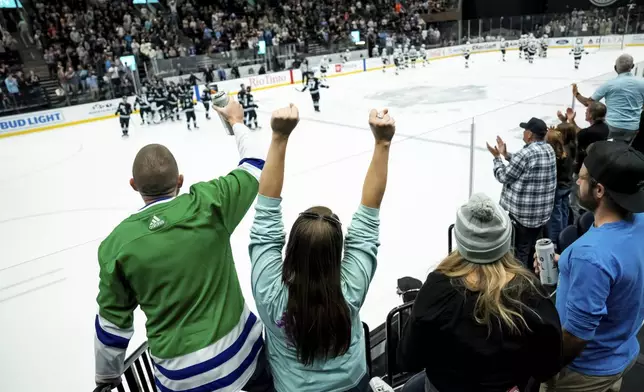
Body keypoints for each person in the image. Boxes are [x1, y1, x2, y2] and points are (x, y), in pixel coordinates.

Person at [94, 99, 272, 392]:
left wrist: (106, 377)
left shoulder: (117, 246)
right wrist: (236, 121)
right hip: (243, 362)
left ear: (133, 185)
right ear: (179, 180)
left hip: (180, 380)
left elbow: (112, 327)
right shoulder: (210, 203)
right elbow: (255, 164)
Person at [248, 106, 395, 391]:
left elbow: (265, 223)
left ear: (291, 248)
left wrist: (279, 136)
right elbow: (368, 219)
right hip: (352, 383)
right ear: (337, 252)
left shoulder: (270, 293)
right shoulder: (350, 288)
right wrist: (382, 143)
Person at [397, 193, 563, 392]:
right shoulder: (530, 293)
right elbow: (548, 364)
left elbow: (409, 358)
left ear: (460, 240)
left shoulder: (437, 288)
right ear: (504, 242)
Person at [538, 141, 644, 392]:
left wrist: (543, 370)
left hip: (584, 374)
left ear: (599, 190)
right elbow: (619, 265)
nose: (576, 182)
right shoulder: (639, 221)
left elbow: (576, 336)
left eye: (582, 177)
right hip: (622, 350)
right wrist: (564, 262)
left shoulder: (591, 256)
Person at [487, 117, 556, 268]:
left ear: (530, 134)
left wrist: (497, 158)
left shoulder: (526, 154)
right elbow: (525, 164)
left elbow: (503, 176)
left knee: (520, 253)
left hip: (522, 218)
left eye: (525, 130)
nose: (523, 133)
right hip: (541, 215)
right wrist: (506, 155)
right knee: (532, 248)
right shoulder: (548, 148)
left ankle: (521, 285)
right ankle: (534, 275)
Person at [573, 54, 644, 144]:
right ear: (632, 66)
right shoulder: (642, 83)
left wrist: (576, 94)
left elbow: (588, 103)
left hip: (611, 127)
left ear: (615, 68)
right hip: (633, 128)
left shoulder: (609, 84)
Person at [557, 102, 609, 218]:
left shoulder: (588, 133)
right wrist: (570, 121)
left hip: (583, 170)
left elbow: (575, 134)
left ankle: (579, 224)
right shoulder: (604, 128)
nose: (585, 112)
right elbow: (581, 132)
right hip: (596, 167)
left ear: (591, 115)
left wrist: (565, 122)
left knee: (577, 201)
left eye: (587, 111)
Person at [545, 126, 575, 247]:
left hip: (558, 187)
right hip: (567, 185)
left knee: (556, 216)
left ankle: (555, 241)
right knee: (564, 210)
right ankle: (564, 233)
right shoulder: (569, 147)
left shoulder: (555, 157)